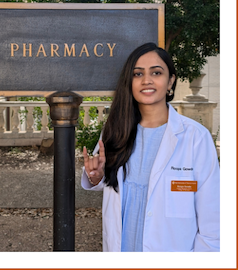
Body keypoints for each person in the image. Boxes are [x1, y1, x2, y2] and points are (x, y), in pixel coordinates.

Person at [81, 42, 220, 252]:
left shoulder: (195, 137)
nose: (146, 80)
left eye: (156, 72)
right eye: (138, 74)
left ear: (170, 81)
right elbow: (108, 183)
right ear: (129, 82)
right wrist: (96, 176)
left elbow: (213, 217)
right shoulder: (115, 131)